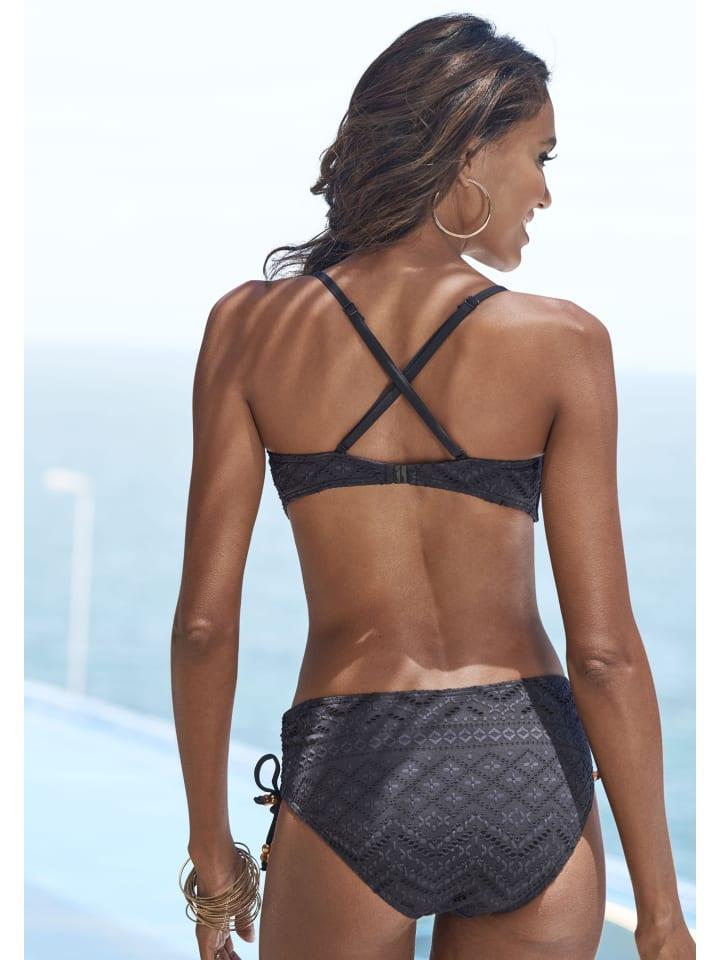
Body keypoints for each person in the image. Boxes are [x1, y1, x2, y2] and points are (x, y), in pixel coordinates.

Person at [171, 13, 695, 960]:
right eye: (539, 156)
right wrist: (661, 915)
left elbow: (205, 628)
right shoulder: (566, 344)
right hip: (530, 773)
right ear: (467, 154)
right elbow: (606, 653)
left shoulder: (249, 330)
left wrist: (213, 855)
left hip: (355, 766)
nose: (545, 190)